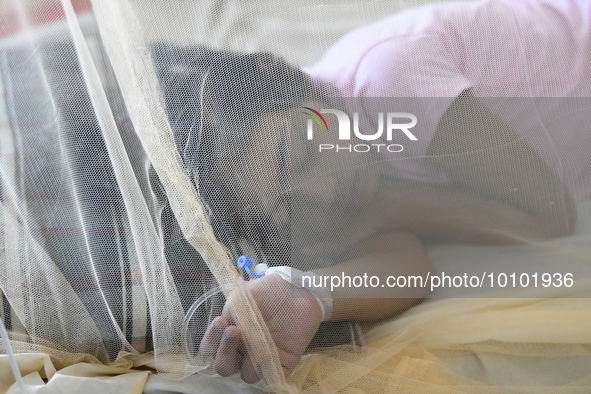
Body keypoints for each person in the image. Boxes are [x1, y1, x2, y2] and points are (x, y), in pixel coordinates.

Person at [188, 0, 591, 383]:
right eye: (288, 208)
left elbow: (550, 217)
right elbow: (409, 267)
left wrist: (381, 211)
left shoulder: (390, 82)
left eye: (303, 153)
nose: (326, 193)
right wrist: (308, 293)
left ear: (282, 84)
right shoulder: (330, 169)